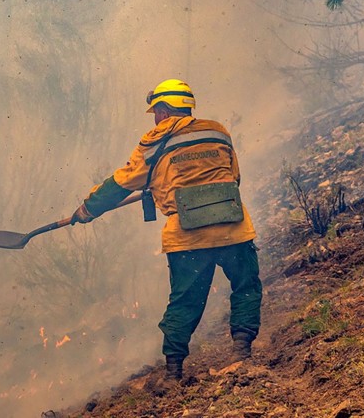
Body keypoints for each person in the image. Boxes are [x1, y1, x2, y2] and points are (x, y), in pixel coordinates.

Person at [70, 79, 262, 381]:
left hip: (188, 238)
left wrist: (88, 209)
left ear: (163, 110)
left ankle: (173, 371)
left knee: (185, 300)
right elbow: (233, 176)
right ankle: (242, 350)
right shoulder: (217, 131)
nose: (156, 117)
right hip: (233, 227)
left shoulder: (155, 142)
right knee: (246, 286)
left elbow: (122, 182)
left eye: (156, 111)